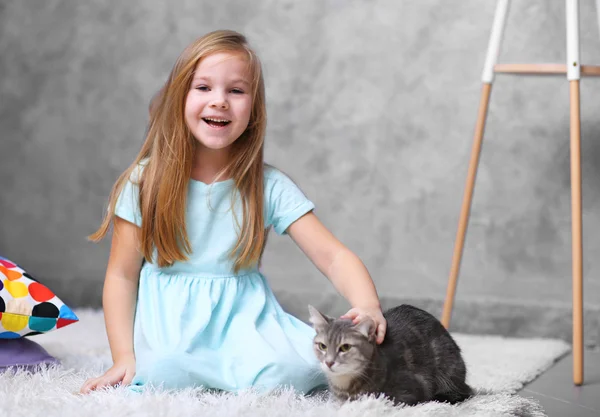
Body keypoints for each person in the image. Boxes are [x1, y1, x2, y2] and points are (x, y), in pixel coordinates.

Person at [80, 29, 386, 395]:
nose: (220, 102)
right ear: (180, 97)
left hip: (243, 317)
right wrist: (123, 356)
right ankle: (188, 368)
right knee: (164, 372)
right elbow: (122, 276)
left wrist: (367, 305)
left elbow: (333, 256)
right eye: (203, 88)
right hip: (172, 323)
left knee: (298, 372)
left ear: (253, 109)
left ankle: (243, 367)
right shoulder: (145, 181)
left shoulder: (266, 185)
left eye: (236, 91)